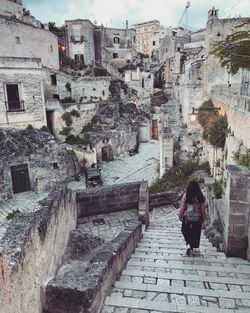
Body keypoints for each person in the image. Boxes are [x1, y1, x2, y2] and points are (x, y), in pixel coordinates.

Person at [179, 180, 206, 256]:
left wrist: (180, 216)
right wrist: (203, 218)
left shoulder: (186, 195)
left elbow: (182, 207)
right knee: (196, 232)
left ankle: (189, 243)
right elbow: (203, 209)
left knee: (184, 230)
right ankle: (193, 246)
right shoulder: (200, 196)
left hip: (187, 217)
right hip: (197, 218)